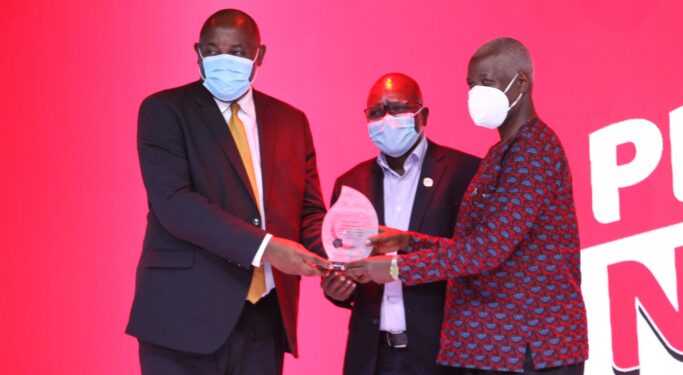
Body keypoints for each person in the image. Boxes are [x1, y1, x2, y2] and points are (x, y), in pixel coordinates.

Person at [345, 38, 588, 375]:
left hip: (532, 346)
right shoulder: (500, 153)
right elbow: (474, 248)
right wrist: (407, 241)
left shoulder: (533, 150)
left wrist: (395, 269)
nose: (476, 94)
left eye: (486, 83)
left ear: (520, 83)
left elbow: (487, 251)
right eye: (471, 85)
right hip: (497, 346)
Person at [126, 9, 330, 375]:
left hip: (265, 318)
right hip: (181, 319)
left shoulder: (291, 121)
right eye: (212, 49)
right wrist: (267, 247)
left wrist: (338, 256)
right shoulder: (164, 111)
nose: (223, 60)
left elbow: (309, 211)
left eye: (236, 52)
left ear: (259, 56)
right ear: (197, 51)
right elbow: (175, 204)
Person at [322, 73, 480, 375]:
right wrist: (337, 288)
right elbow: (342, 263)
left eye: (398, 108)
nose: (387, 118)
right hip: (372, 356)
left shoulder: (465, 172)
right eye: (377, 112)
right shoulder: (350, 184)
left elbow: (473, 258)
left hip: (443, 355)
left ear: (424, 115)